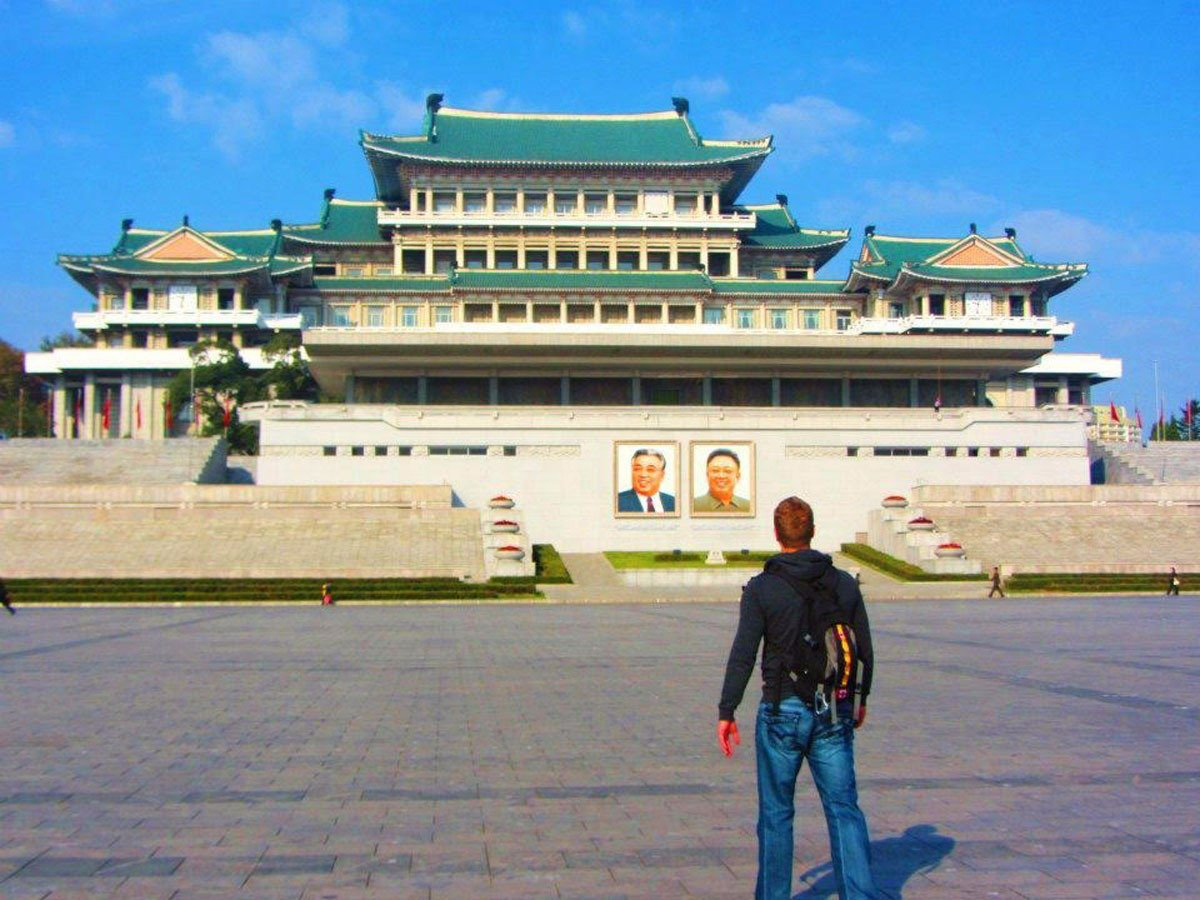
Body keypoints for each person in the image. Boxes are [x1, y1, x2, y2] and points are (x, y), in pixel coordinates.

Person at [718, 496, 878, 899]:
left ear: (777, 534)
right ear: (812, 532)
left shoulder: (762, 587)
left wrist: (727, 709)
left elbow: (744, 652)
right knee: (844, 810)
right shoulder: (842, 582)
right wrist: (859, 698)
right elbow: (864, 646)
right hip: (834, 708)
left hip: (781, 710)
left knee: (776, 816)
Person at [616, 448, 675, 513]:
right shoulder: (617, 501)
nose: (643, 475)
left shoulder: (673, 503)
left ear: (662, 475)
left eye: (650, 470)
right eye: (638, 469)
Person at [693, 448, 750, 512]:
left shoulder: (749, 506)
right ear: (707, 475)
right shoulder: (694, 506)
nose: (721, 476)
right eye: (715, 470)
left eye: (728, 471)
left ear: (738, 476)